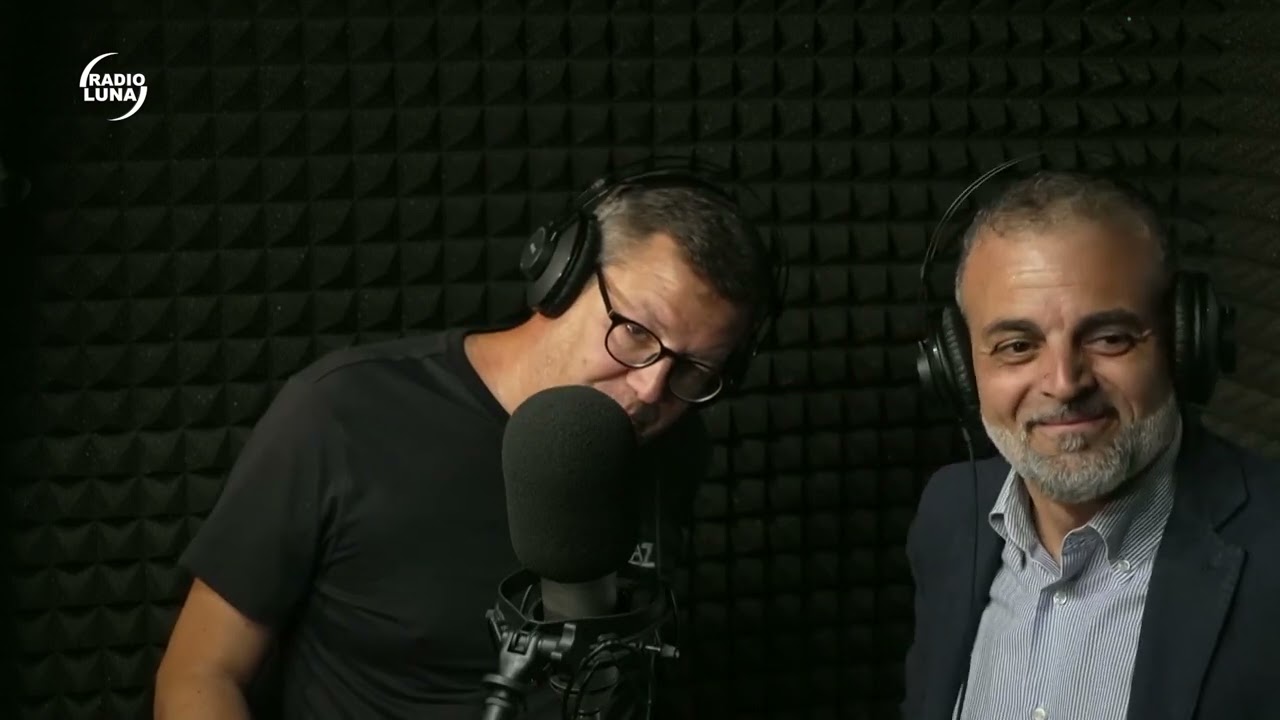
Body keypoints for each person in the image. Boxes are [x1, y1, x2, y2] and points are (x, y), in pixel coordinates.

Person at [152, 164, 779, 720]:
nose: (650, 389)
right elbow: (199, 674)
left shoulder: (675, 447)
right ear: (560, 276)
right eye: (637, 331)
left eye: (693, 369)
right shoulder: (342, 413)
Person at [902, 170, 1280, 720]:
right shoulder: (951, 513)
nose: (1064, 383)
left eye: (1109, 338)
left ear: (1185, 343)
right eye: (1017, 346)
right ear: (956, 369)